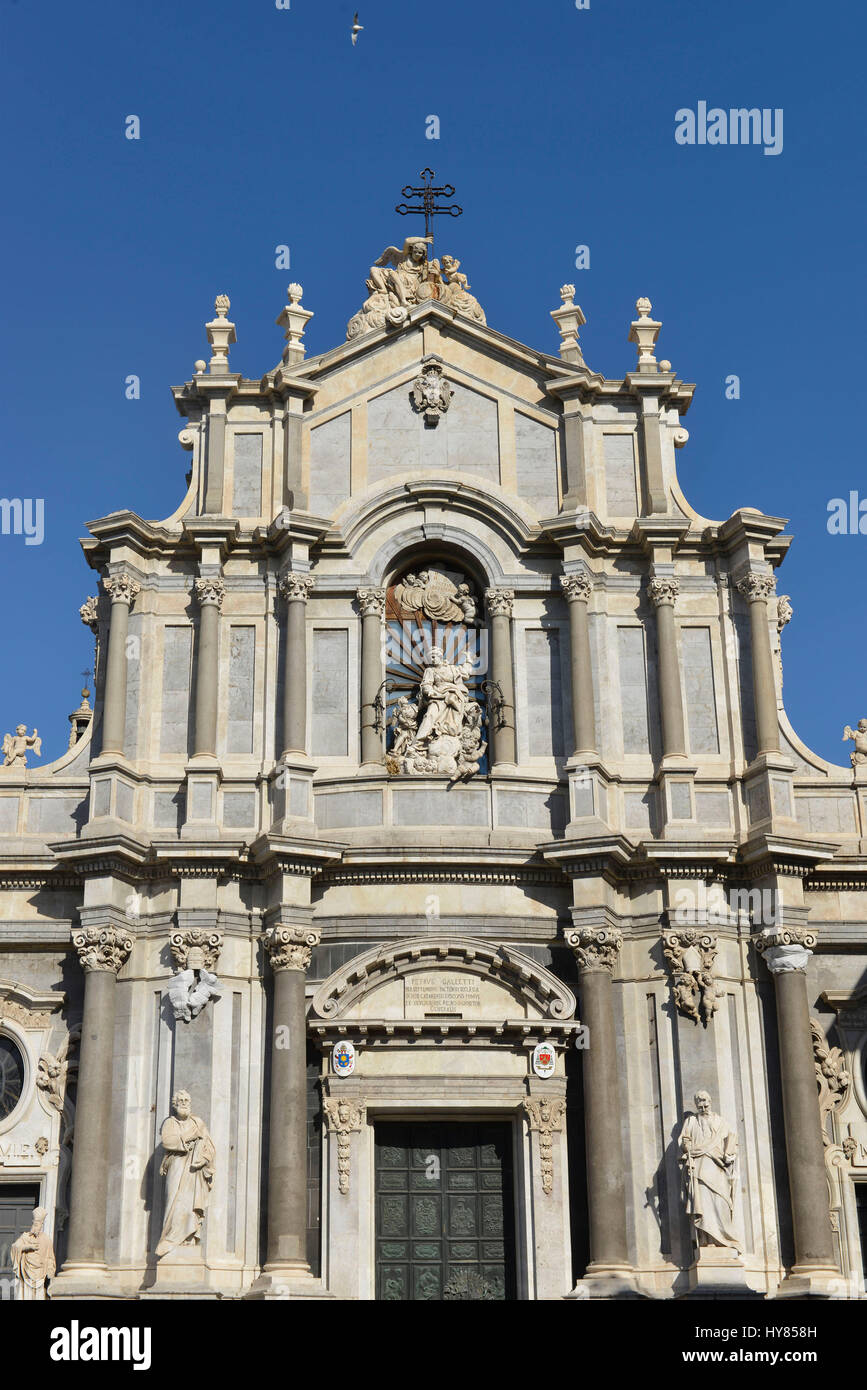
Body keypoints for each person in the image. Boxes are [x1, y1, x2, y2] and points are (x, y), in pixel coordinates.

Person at [678, 1090, 741, 1253]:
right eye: (699, 1102)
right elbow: (683, 1143)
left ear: (710, 1101)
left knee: (721, 1203)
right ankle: (707, 1241)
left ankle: (723, 1238)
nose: (702, 1104)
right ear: (696, 1104)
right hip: (699, 1167)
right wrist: (686, 1146)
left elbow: (732, 1143)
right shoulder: (691, 1121)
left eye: (705, 1101)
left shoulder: (721, 1122)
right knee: (703, 1205)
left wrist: (730, 1155)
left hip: (718, 1168)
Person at [156, 1089, 216, 1257]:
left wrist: (204, 1160)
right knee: (173, 1202)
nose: (183, 1103)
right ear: (174, 1104)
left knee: (189, 1205)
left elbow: (209, 1146)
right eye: (180, 1100)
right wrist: (190, 1137)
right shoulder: (170, 1123)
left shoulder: (198, 1123)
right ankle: (171, 1239)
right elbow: (168, 1141)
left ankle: (188, 1238)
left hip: (194, 1171)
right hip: (176, 1166)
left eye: (186, 1100)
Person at [11, 1206, 55, 1299]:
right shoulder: (25, 1237)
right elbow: (15, 1246)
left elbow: (50, 1258)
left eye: (37, 1225)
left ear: (41, 1225)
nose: (35, 1227)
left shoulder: (46, 1240)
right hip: (26, 1274)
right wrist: (28, 1247)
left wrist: (50, 1270)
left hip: (40, 1275)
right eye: (34, 1224)